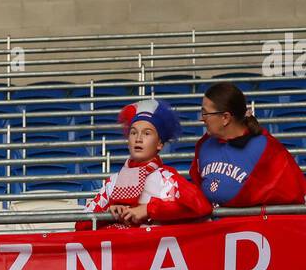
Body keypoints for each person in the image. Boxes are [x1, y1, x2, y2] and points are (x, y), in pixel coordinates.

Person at [76, 98, 211, 230]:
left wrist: (148, 209)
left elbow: (200, 205)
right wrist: (108, 214)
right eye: (133, 132)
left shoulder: (167, 178)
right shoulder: (113, 182)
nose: (138, 139)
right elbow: (80, 224)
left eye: (147, 133)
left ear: (159, 144)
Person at [190, 81, 306, 207]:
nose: (201, 118)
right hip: (216, 225)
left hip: (254, 226)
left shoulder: (267, 148)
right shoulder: (204, 146)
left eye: (205, 113)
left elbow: (294, 196)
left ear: (225, 118)